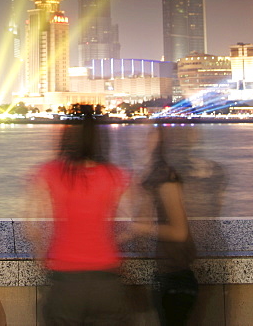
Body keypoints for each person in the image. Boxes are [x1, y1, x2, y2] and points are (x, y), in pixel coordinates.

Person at [25, 111, 131, 325]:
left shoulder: (50, 172)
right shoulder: (115, 175)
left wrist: (41, 254)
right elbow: (135, 222)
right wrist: (113, 242)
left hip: (66, 280)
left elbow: (31, 225)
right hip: (107, 279)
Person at [134, 125, 197, 326]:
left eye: (153, 135)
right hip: (167, 275)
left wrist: (144, 229)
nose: (147, 140)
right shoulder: (157, 177)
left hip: (176, 278)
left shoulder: (168, 180)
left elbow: (179, 232)